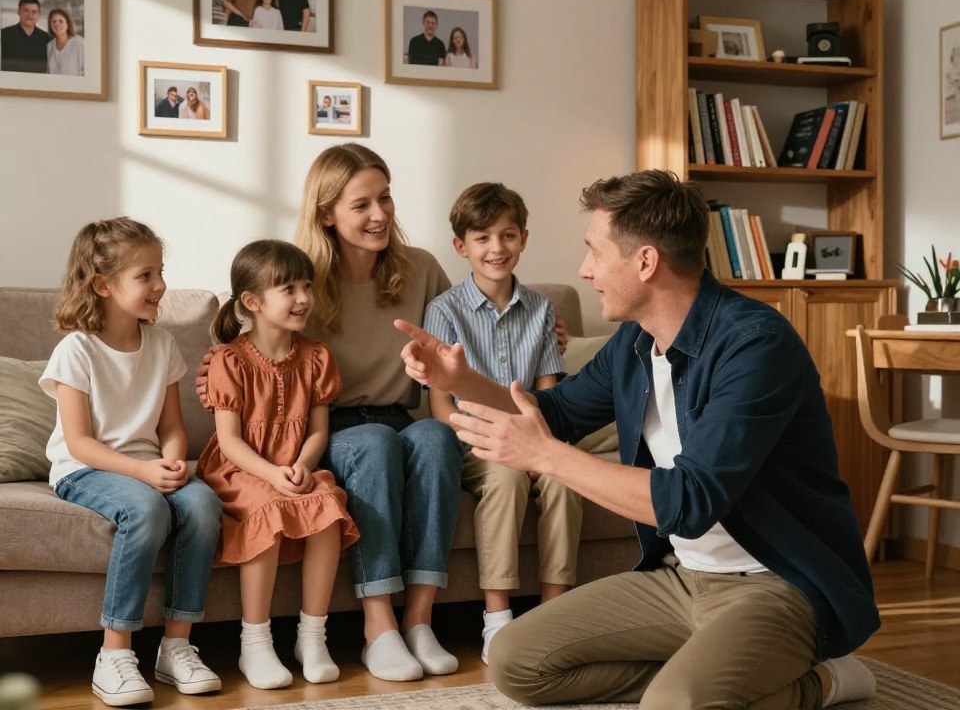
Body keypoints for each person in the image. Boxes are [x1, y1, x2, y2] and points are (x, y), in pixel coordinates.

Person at [396, 169, 881, 709]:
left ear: (645, 262)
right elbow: (553, 412)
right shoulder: (635, 341)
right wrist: (457, 381)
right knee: (516, 662)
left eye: (595, 254)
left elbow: (689, 501)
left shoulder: (755, 346)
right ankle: (703, 674)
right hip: (682, 579)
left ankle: (825, 682)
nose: (584, 271)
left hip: (776, 583)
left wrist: (546, 457)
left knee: (674, 706)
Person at [198, 144, 464, 683]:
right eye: (361, 204)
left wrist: (540, 330)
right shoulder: (300, 279)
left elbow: (465, 333)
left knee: (436, 437)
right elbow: (251, 339)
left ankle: (419, 619)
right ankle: (377, 625)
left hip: (397, 418)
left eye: (385, 198)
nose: (380, 214)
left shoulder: (423, 269)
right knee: (372, 443)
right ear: (326, 213)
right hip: (334, 429)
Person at [40, 217, 222, 707]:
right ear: (103, 284)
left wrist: (171, 461)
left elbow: (171, 427)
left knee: (203, 504)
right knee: (145, 509)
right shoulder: (75, 350)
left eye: (160, 272)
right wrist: (143, 473)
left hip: (146, 463)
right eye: (146, 275)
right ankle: (115, 653)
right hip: (86, 469)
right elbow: (78, 442)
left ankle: (177, 646)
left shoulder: (162, 344)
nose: (160, 285)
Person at [423, 182, 576, 666]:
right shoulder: (443, 311)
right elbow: (441, 409)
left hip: (535, 436)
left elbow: (551, 398)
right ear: (460, 246)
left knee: (564, 479)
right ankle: (497, 621)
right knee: (507, 480)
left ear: (524, 239)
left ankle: (556, 616)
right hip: (476, 446)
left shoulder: (543, 309)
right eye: (482, 237)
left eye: (508, 236)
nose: (496, 248)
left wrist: (541, 448)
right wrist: (498, 444)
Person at [197, 239, 359, 690]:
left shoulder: (317, 357)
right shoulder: (229, 360)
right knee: (267, 510)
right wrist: (271, 474)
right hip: (241, 471)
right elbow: (228, 441)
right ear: (252, 301)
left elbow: (318, 431)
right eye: (288, 288)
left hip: (295, 467)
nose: (304, 297)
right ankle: (255, 642)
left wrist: (305, 466)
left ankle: (312, 636)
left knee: (328, 506)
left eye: (306, 285)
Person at [0, 0, 49, 73]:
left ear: (39, 14)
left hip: (38, 83)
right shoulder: (4, 35)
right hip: (9, 84)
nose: (30, 15)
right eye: (26, 11)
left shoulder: (46, 39)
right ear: (18, 11)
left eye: (34, 12)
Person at [46, 7, 84, 76]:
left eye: (61, 21)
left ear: (67, 24)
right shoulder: (49, 46)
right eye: (54, 21)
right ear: (50, 25)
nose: (57, 24)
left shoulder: (80, 43)